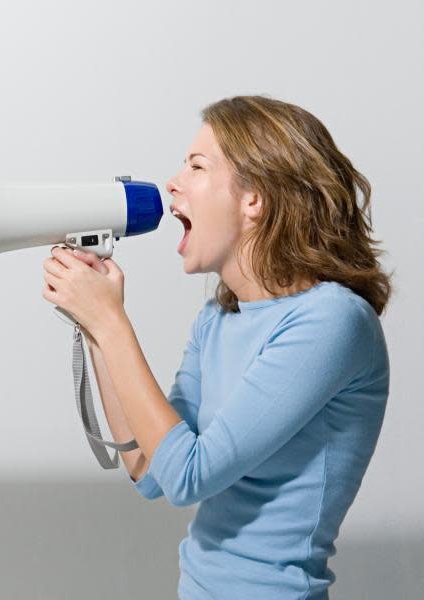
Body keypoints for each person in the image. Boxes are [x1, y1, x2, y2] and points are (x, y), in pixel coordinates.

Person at [43, 96, 390, 598]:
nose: (173, 183)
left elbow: (189, 476)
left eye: (197, 166)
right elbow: (149, 469)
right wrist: (95, 326)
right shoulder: (219, 317)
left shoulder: (333, 322)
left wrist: (112, 322)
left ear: (255, 198)